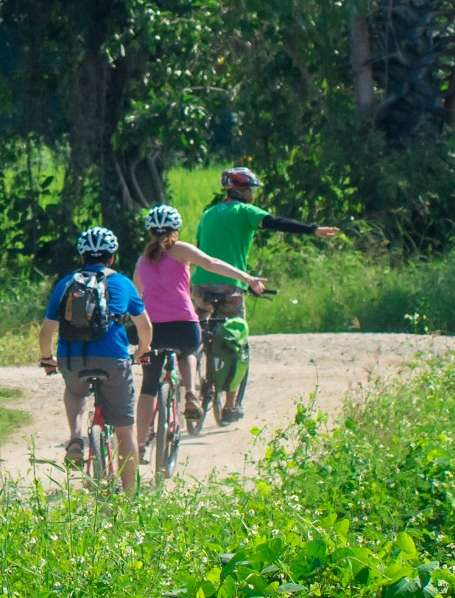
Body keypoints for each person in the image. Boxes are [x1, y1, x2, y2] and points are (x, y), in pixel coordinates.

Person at [190, 168, 342, 422]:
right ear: (243, 191)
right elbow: (276, 223)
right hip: (230, 287)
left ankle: (191, 388)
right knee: (236, 341)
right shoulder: (246, 212)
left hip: (200, 286)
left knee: (199, 333)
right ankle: (229, 407)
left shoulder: (208, 214)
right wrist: (312, 229)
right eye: (250, 190)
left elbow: (204, 251)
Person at [132, 204, 263, 435]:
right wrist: (247, 277)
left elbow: (135, 295)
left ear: (151, 232)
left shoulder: (142, 261)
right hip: (184, 322)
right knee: (190, 351)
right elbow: (212, 264)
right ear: (176, 230)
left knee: (148, 387)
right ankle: (191, 393)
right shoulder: (181, 250)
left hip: (153, 329)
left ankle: (141, 445)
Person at [37, 227, 147, 491]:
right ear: (111, 257)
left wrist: (48, 358)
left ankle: (75, 439)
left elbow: (45, 331)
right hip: (114, 359)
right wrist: (143, 350)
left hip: (72, 359)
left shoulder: (66, 283)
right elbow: (145, 327)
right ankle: (131, 497)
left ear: (82, 256)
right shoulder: (122, 283)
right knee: (124, 430)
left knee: (75, 392)